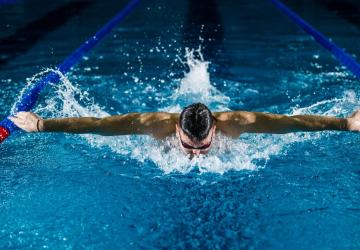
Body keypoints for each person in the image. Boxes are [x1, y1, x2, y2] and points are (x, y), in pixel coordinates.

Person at [9, 103, 360, 155]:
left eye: (203, 146)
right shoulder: (153, 125)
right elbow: (99, 127)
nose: (195, 154)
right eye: (189, 145)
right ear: (175, 127)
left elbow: (292, 124)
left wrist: (347, 123)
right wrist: (42, 124)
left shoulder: (239, 123)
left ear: (215, 129)